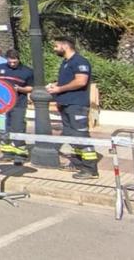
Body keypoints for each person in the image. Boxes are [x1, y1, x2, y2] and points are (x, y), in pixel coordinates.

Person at [47, 37, 98, 179]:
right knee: (72, 136)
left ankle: (90, 169)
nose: (54, 48)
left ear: (65, 46)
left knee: (81, 136)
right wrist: (55, 85)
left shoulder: (79, 61)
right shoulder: (66, 62)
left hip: (77, 105)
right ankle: (78, 164)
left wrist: (59, 89)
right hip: (66, 105)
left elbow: (81, 81)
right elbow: (68, 81)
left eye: (56, 46)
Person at [0, 49, 34, 162]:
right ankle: (7, 153)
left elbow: (31, 88)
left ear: (19, 59)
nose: (12, 64)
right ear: (7, 60)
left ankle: (20, 154)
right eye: (10, 62)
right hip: (2, 105)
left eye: (15, 62)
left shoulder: (27, 71)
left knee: (18, 128)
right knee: (4, 128)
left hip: (18, 104)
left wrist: (19, 89)